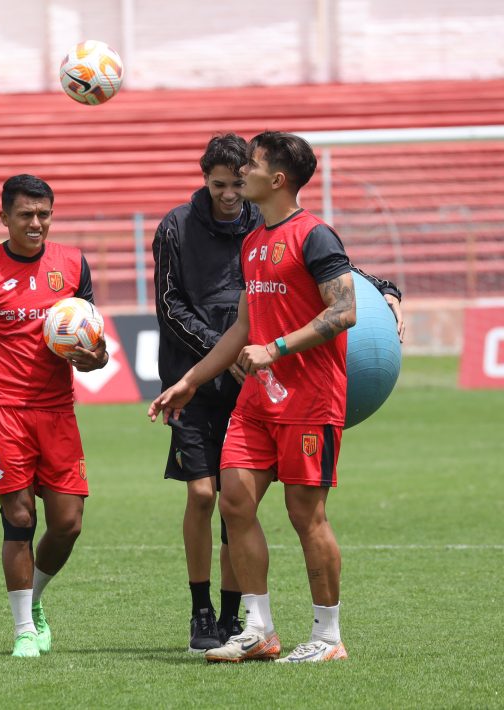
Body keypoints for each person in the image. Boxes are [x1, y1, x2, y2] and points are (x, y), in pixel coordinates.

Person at [153, 134, 405, 653]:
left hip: (310, 400)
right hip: (256, 405)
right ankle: (259, 630)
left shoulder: (316, 236)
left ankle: (327, 636)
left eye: (253, 164)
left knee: (304, 515)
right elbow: (242, 328)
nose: (242, 171)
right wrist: (189, 381)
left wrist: (279, 348)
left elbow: (344, 313)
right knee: (236, 502)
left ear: (278, 179)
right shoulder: (252, 242)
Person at [0, 174, 108, 658]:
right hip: (4, 409)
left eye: (44, 214)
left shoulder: (72, 264)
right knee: (18, 516)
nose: (36, 223)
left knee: (69, 522)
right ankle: (23, 631)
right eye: (26, 215)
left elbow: (93, 338)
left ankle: (33, 599)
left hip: (57, 411)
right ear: (5, 216)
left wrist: (97, 358)